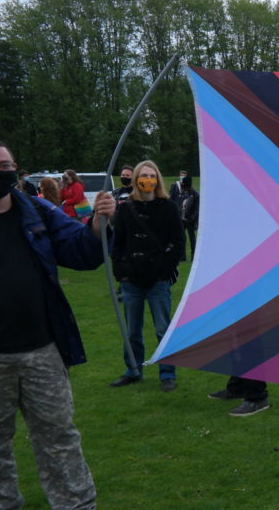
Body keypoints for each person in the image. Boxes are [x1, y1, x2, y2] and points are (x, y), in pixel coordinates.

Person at [0, 138, 115, 510]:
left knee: (59, 437)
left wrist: (97, 224)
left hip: (42, 350)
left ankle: (76, 504)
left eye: (5, 166)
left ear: (15, 170)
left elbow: (78, 250)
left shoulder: (38, 212)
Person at [108, 160, 184, 392]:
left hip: (158, 279)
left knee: (163, 328)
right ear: (136, 179)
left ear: (158, 179)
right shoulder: (125, 207)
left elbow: (179, 244)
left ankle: (167, 372)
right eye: (144, 175)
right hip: (132, 280)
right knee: (132, 330)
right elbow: (117, 244)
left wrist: (164, 269)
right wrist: (122, 272)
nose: (148, 180)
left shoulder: (168, 207)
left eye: (152, 175)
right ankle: (133, 370)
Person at [179, 175, 200, 261]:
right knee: (182, 238)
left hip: (190, 220)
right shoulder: (184, 193)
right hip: (182, 219)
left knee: (192, 239)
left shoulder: (195, 194)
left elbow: (196, 209)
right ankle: (183, 256)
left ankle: (193, 256)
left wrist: (191, 218)